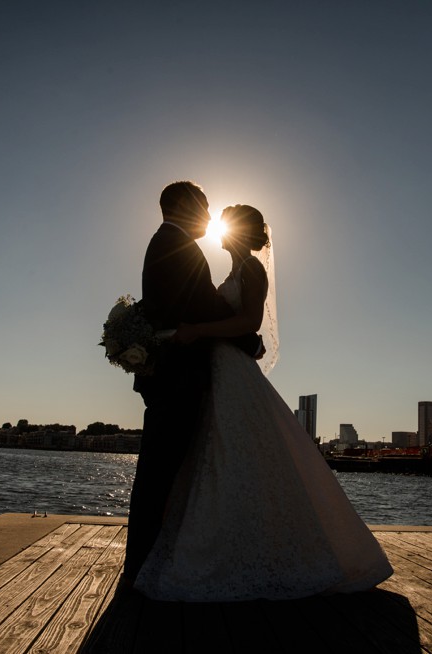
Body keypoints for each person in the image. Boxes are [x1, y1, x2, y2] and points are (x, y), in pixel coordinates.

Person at [133, 204, 393, 601]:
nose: (218, 228)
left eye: (226, 222)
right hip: (216, 369)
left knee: (238, 454)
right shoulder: (233, 271)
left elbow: (248, 323)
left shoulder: (251, 269)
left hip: (231, 370)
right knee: (219, 458)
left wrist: (196, 330)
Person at [126, 182, 261, 582]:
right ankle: (143, 568)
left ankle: (152, 562)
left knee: (168, 474)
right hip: (178, 377)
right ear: (185, 206)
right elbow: (202, 307)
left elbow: (189, 309)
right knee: (161, 475)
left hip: (179, 375)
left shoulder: (170, 243)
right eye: (203, 207)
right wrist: (250, 341)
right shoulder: (176, 246)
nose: (207, 215)